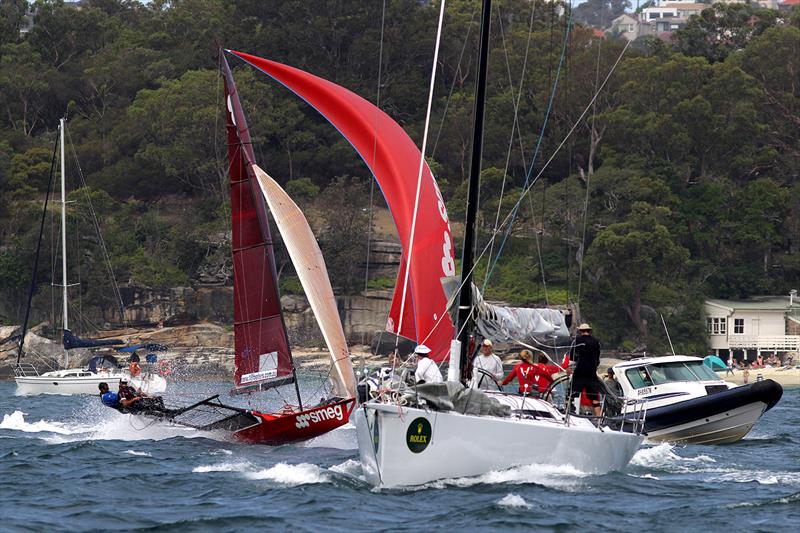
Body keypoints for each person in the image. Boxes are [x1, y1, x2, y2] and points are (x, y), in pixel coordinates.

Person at [569, 323, 604, 417]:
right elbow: (597, 358)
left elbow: (572, 357)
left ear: (580, 331)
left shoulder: (577, 340)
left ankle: (568, 412)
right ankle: (599, 418)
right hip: (591, 372)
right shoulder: (596, 341)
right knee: (594, 397)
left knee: (572, 393)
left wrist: (572, 365)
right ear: (589, 331)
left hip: (580, 371)